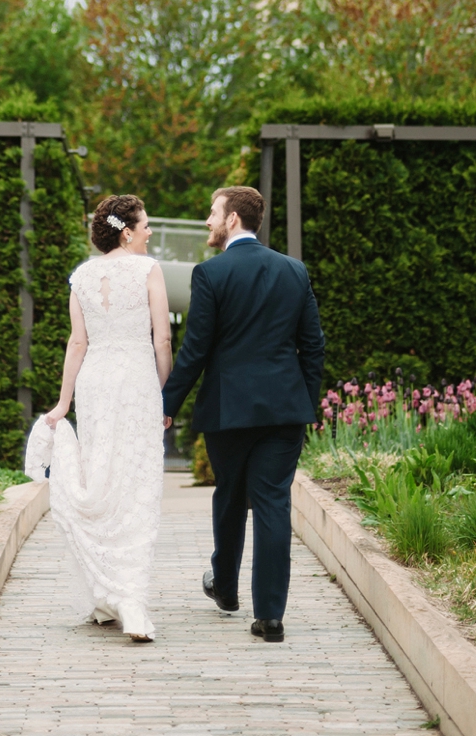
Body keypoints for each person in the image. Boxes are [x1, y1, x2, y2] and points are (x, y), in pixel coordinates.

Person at [161, 185, 325, 643]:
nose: (208, 222)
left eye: (213, 213)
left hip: (228, 410)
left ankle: (227, 589)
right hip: (284, 411)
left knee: (230, 497)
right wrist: (303, 403)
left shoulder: (210, 274)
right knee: (274, 505)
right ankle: (270, 617)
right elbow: (313, 345)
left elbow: (195, 351)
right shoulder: (294, 271)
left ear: (233, 219)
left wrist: (166, 405)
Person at [24, 194, 173, 642]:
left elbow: (77, 343)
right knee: (136, 487)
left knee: (102, 479)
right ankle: (130, 600)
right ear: (126, 231)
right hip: (136, 383)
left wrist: (63, 402)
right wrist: (164, 394)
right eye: (145, 225)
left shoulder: (83, 276)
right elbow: (163, 339)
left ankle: (105, 596)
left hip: (94, 384)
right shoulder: (149, 270)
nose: (149, 232)